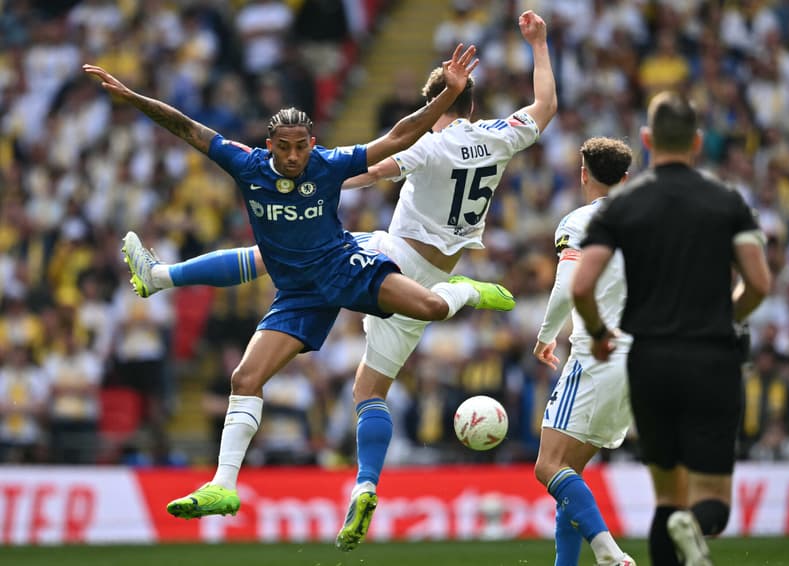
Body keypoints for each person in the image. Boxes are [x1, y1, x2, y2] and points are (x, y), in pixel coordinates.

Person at [113, 10, 557, 552]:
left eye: (303, 147)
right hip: (425, 263)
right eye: (287, 148)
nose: (296, 156)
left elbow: (387, 152)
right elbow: (545, 107)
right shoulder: (499, 137)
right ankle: (315, 485)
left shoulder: (420, 146)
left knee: (390, 325)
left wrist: (327, 185)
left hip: (379, 253)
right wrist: (538, 44)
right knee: (316, 363)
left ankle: (467, 296)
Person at [571, 91, 771, 566]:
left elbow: (582, 286)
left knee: (666, 498)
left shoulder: (622, 206)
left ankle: (678, 524)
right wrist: (729, 316)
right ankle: (696, 524)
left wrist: (599, 333)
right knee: (711, 501)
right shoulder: (726, 201)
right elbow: (759, 283)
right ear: (698, 143)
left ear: (646, 139)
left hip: (650, 360)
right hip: (712, 356)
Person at [533, 137, 635, 566]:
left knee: (547, 467)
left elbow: (567, 284)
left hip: (597, 356)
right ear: (626, 179)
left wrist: (545, 334)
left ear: (583, 175)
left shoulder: (579, 221)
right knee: (568, 476)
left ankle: (608, 553)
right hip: (641, 361)